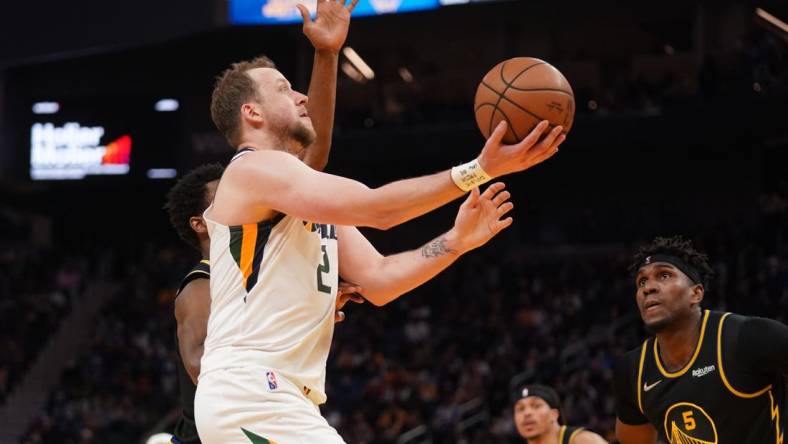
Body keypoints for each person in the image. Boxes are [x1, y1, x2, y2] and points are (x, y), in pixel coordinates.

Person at [194, 0, 566, 441]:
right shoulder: (252, 169)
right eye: (282, 88)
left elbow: (380, 279)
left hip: (282, 397)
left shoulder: (301, 202)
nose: (299, 96)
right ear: (251, 113)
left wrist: (458, 241)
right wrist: (478, 170)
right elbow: (379, 210)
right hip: (252, 392)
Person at [162, 1, 362, 441]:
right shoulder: (201, 282)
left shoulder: (257, 263)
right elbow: (198, 361)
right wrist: (254, 384)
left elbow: (312, 158)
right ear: (202, 222)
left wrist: (303, 304)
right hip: (226, 422)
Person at [613, 236, 788, 443]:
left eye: (664, 275)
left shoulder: (749, 336)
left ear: (695, 294)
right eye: (642, 281)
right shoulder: (632, 370)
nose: (647, 288)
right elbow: (635, 440)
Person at [513, 384, 607, 444]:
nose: (527, 413)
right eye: (520, 409)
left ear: (554, 414)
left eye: (536, 406)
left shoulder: (582, 440)